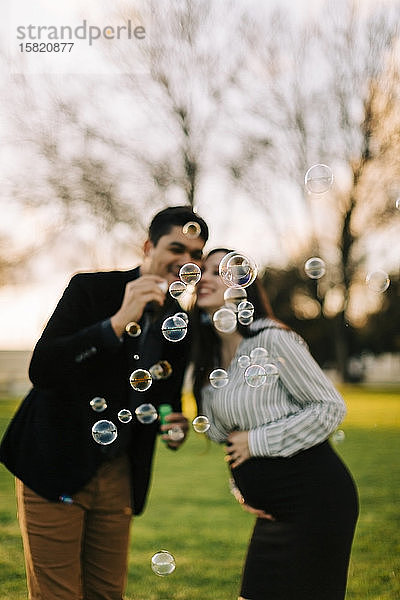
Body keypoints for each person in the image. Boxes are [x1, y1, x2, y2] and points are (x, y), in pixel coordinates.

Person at [0, 205, 209, 600]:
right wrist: (116, 323)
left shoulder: (178, 322)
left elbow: (163, 397)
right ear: (149, 246)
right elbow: (42, 368)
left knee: (107, 594)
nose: (185, 261)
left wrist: (172, 422)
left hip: (118, 473)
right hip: (53, 462)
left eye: (196, 255)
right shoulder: (91, 290)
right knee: (57, 595)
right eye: (176, 248)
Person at [191, 248, 359, 600]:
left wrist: (256, 442)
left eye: (215, 270)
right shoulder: (207, 357)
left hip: (315, 499)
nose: (203, 277)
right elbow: (228, 439)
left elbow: (329, 407)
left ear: (242, 285)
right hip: (272, 510)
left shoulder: (272, 339)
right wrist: (244, 487)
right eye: (199, 271)